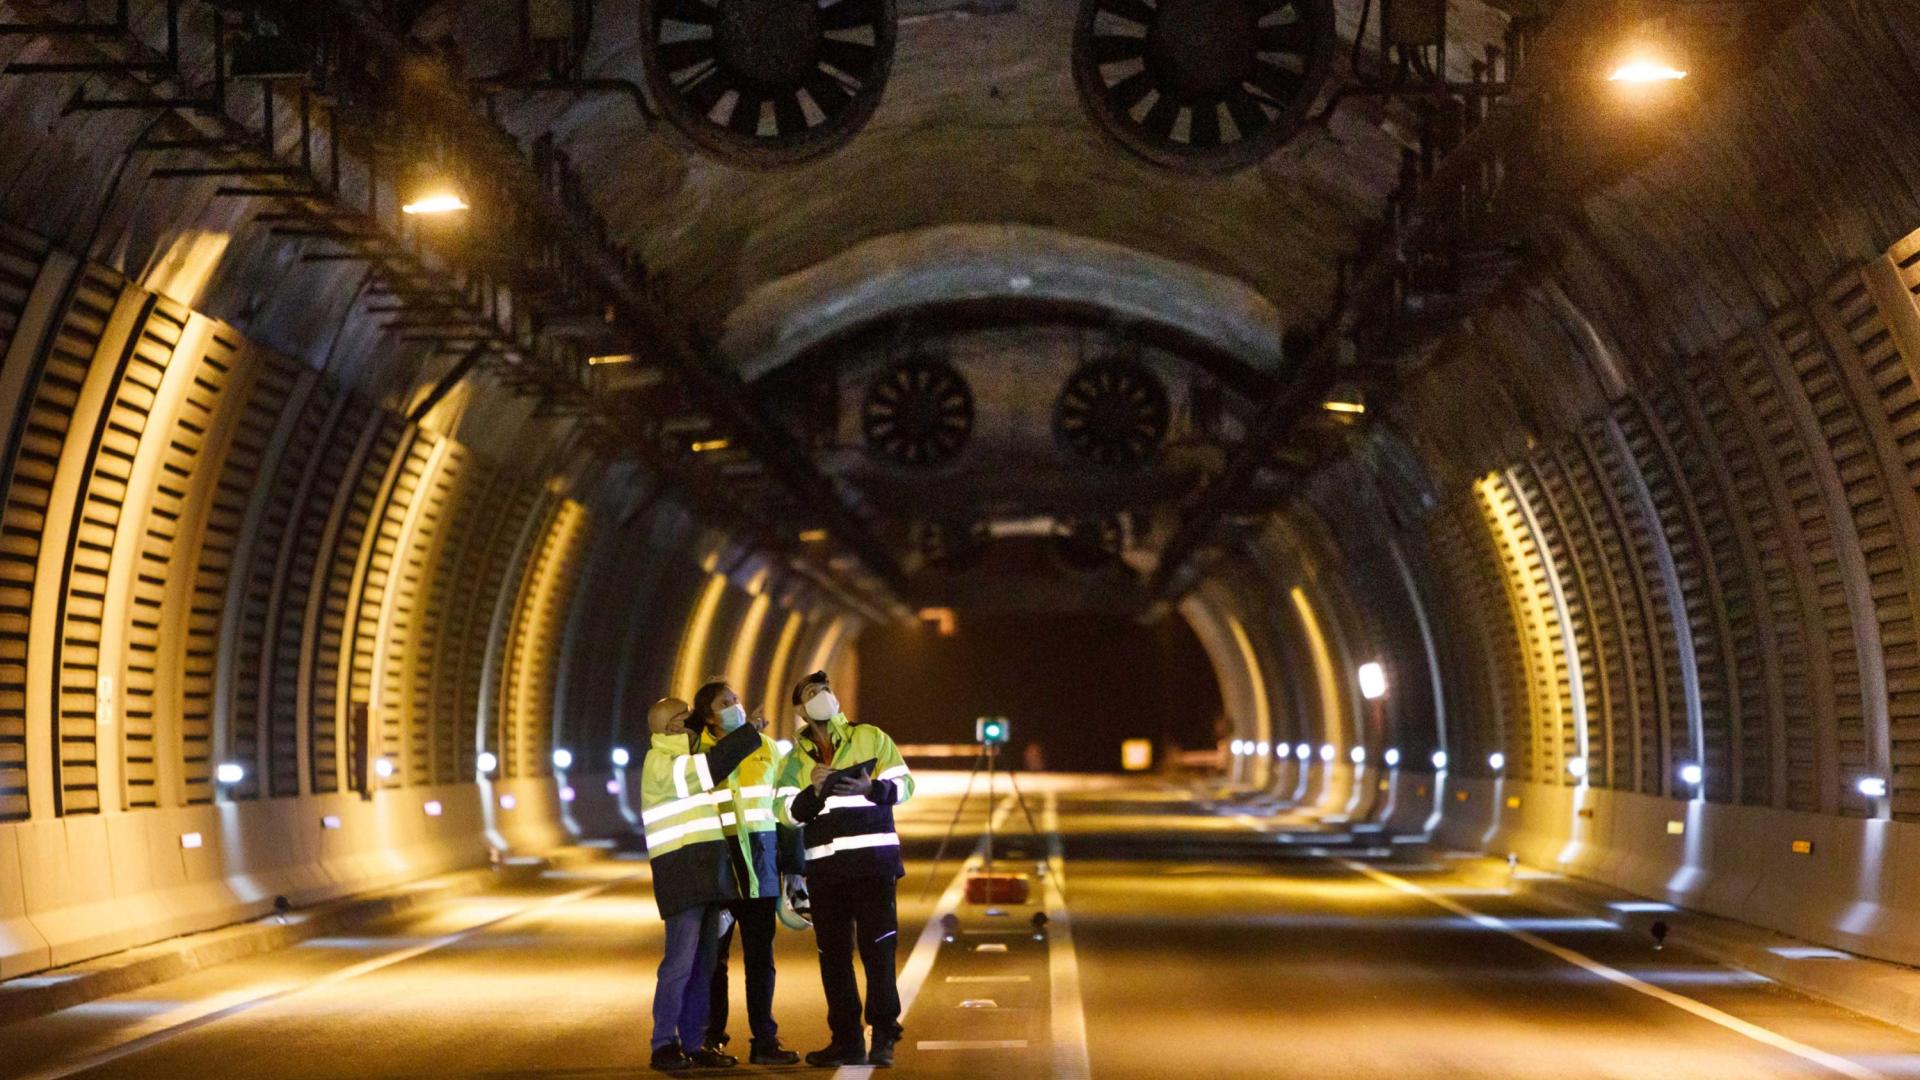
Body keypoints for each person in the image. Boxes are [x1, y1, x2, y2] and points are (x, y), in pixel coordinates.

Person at [773, 671, 916, 1068]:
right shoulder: (794, 760)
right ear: (801, 710)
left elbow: (904, 784)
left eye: (825, 689)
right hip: (827, 871)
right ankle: (846, 1041)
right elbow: (784, 813)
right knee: (833, 958)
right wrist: (811, 793)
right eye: (812, 693)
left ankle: (885, 1034)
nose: (823, 696)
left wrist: (872, 789)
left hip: (873, 865)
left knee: (878, 952)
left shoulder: (870, 737)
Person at [640, 696, 761, 1072]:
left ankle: (694, 1042)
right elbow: (709, 770)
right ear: (670, 726)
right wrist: (747, 733)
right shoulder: (661, 763)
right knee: (679, 963)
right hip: (681, 874)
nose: (691, 722)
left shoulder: (688, 758)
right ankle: (663, 1043)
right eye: (683, 716)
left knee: (704, 965)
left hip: (707, 874)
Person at [688, 679, 802, 1066]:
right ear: (708, 715)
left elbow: (784, 814)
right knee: (713, 962)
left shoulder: (768, 749)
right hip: (718, 876)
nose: (736, 705)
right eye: (726, 702)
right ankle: (711, 1038)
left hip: (760, 870)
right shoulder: (694, 754)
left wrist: (794, 869)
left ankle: (764, 1040)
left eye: (737, 698)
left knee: (760, 960)